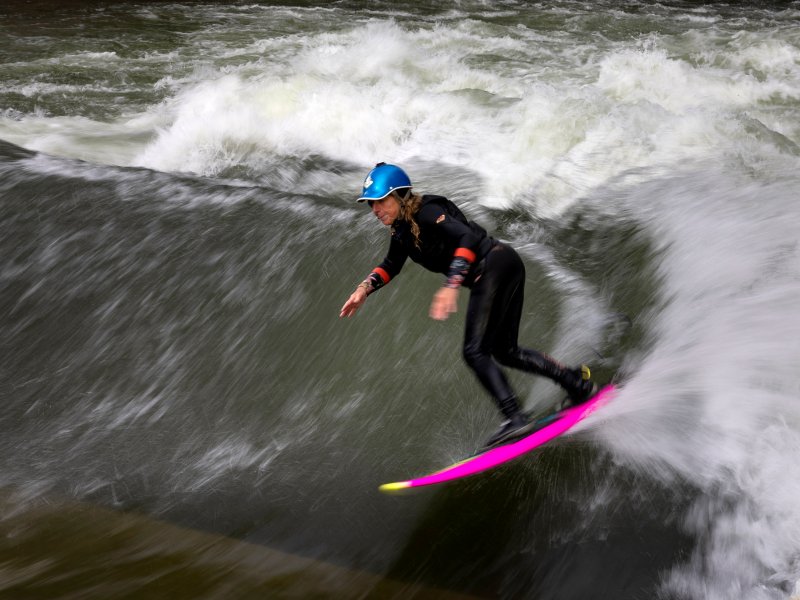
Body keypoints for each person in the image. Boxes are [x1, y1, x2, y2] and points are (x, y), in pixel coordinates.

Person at [339, 163, 597, 448]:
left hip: (495, 265)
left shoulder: (426, 211)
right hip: (501, 267)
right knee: (505, 351)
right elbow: (391, 264)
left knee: (475, 351)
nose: (375, 209)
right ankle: (576, 384)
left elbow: (468, 236)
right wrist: (364, 289)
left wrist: (451, 284)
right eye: (371, 204)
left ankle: (516, 418)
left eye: (380, 201)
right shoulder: (402, 230)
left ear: (399, 196)